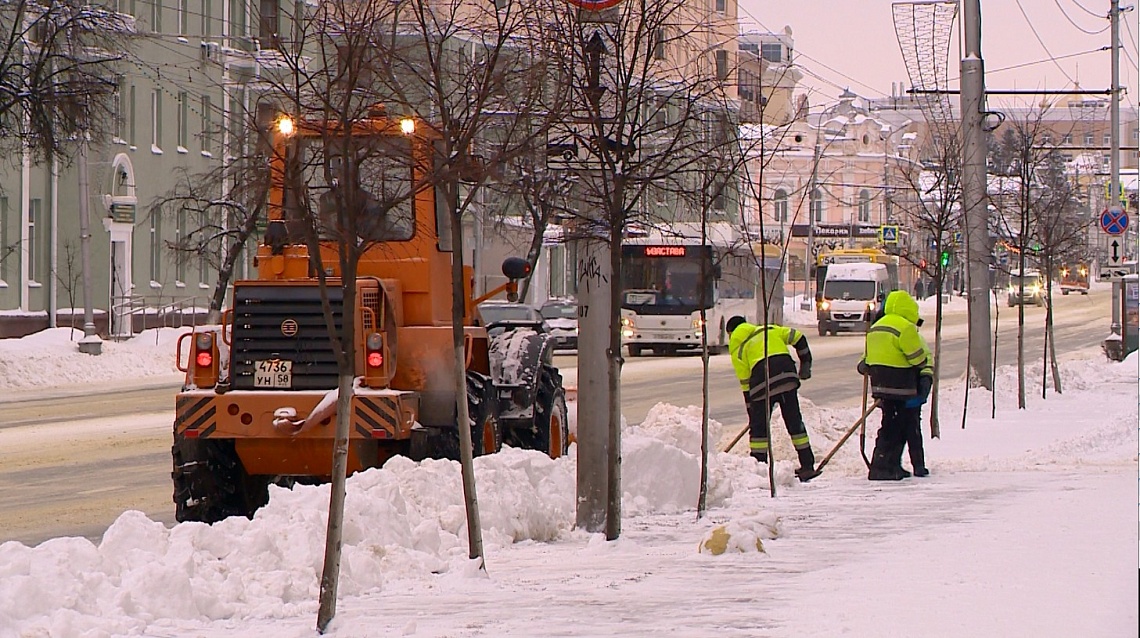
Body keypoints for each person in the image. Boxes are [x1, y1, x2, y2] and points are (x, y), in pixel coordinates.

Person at [726, 315, 820, 482]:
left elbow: (745, 382)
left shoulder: (738, 347)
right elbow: (798, 337)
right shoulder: (769, 329)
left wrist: (751, 411)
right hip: (787, 376)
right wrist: (806, 363)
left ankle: (760, 467)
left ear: (731, 333)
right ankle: (807, 465)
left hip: (762, 383)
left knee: (759, 429)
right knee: (794, 422)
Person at [857, 290, 933, 480]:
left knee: (890, 424)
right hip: (902, 385)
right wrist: (923, 373)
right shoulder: (905, 327)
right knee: (898, 428)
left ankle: (887, 465)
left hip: (880, 386)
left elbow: (865, 361)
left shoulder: (875, 327)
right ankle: (883, 467)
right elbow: (917, 359)